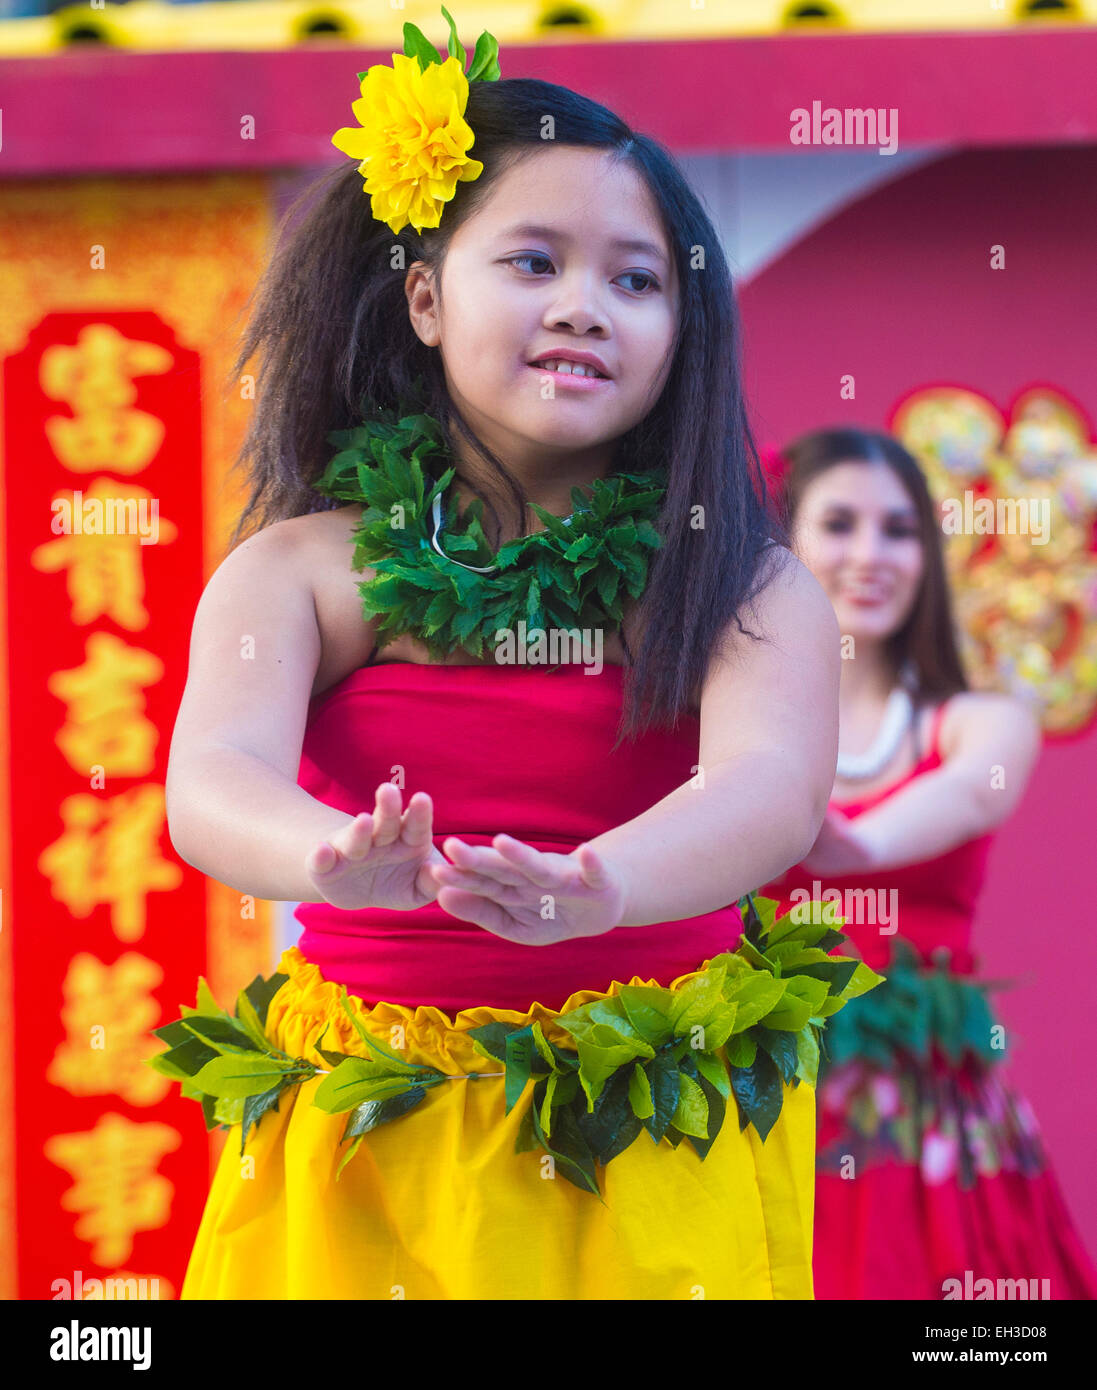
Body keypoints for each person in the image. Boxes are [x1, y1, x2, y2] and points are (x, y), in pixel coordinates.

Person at [159, 11, 851, 1300]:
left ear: (681, 328)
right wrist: (321, 856)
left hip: (637, 1128)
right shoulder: (300, 568)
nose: (585, 307)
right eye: (533, 261)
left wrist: (602, 883)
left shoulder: (736, 576)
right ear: (423, 295)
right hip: (371, 1120)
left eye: (637, 281)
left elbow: (769, 790)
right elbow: (211, 778)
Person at [759, 426, 1097, 1300]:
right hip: (758, 1081)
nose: (870, 555)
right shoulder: (729, 727)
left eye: (900, 531)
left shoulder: (978, 721)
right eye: (838, 524)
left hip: (913, 1106)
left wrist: (856, 846)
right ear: (783, 541)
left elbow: (974, 792)